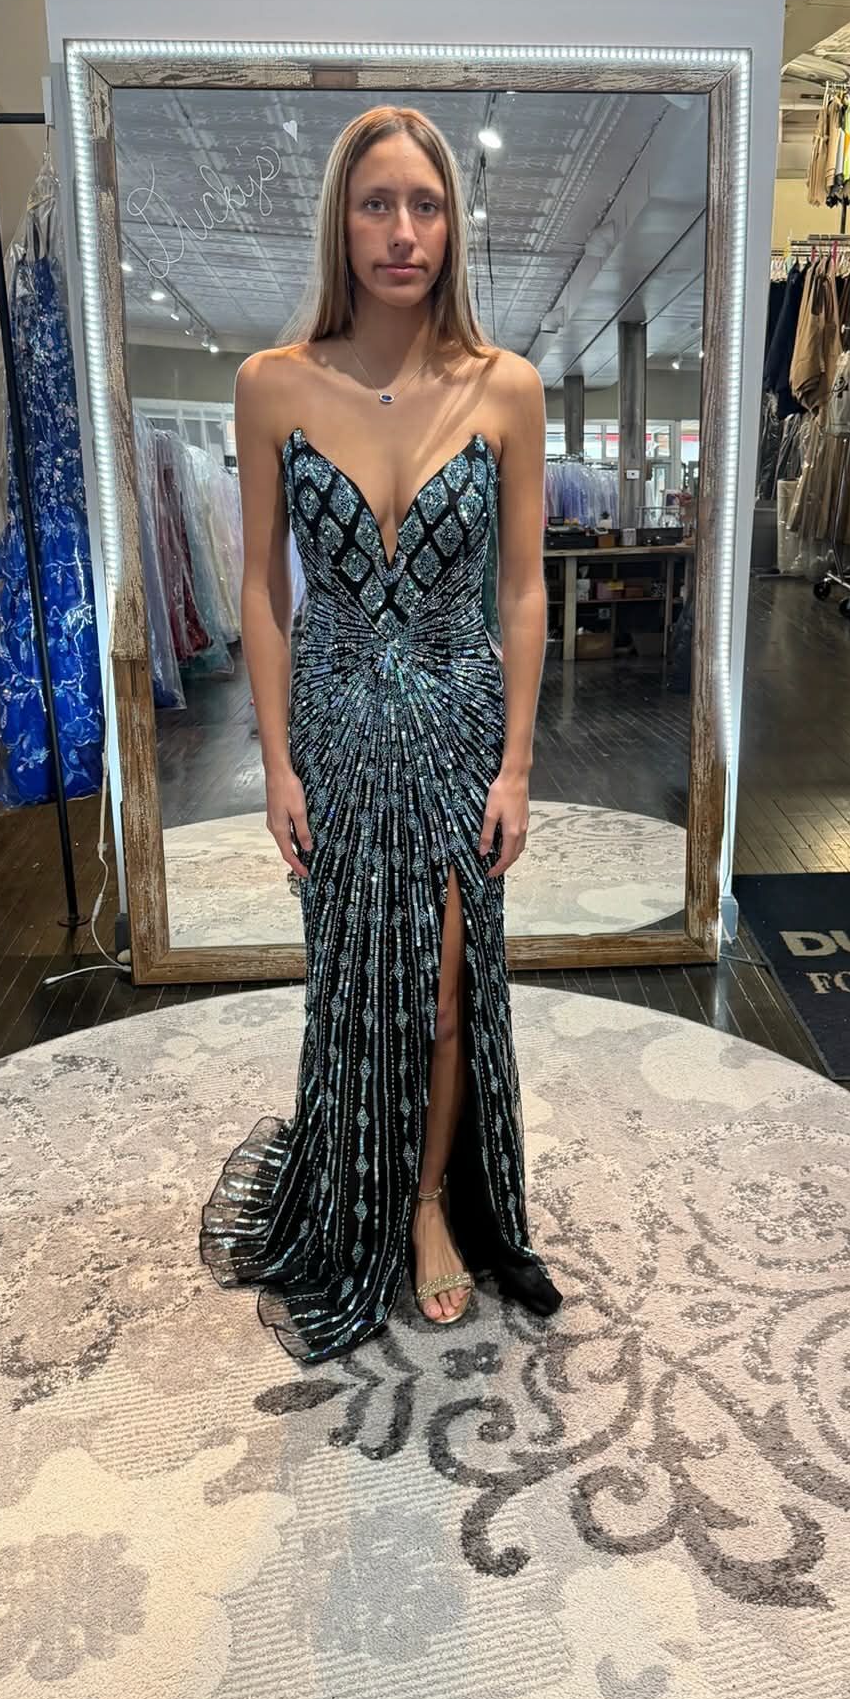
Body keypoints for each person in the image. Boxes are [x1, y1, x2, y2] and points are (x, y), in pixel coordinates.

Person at [199, 105, 564, 1363]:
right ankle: (353, 1185)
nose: (402, 232)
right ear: (340, 223)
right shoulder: (271, 385)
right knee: (355, 985)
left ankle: (424, 1206)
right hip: (340, 725)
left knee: (451, 993)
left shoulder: (505, 386)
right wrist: (276, 760)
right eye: (376, 204)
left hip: (461, 724)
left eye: (425, 204)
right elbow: (258, 585)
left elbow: (523, 588)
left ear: (453, 222)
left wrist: (518, 762)